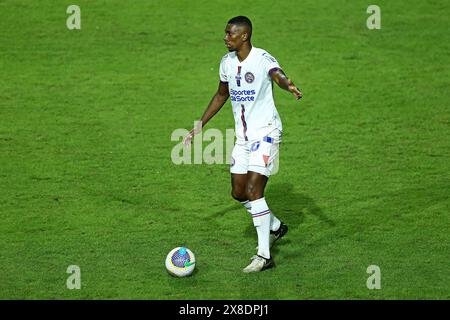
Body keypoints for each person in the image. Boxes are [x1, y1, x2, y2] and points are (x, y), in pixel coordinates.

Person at [183, 16, 302, 273]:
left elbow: (276, 74)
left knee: (253, 190)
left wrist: (287, 84)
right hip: (243, 139)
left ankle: (264, 256)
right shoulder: (226, 63)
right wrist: (200, 124)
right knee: (238, 192)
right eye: (225, 33)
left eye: (229, 33)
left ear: (244, 36)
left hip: (266, 133)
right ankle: (275, 227)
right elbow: (221, 94)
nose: (225, 37)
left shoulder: (262, 58)